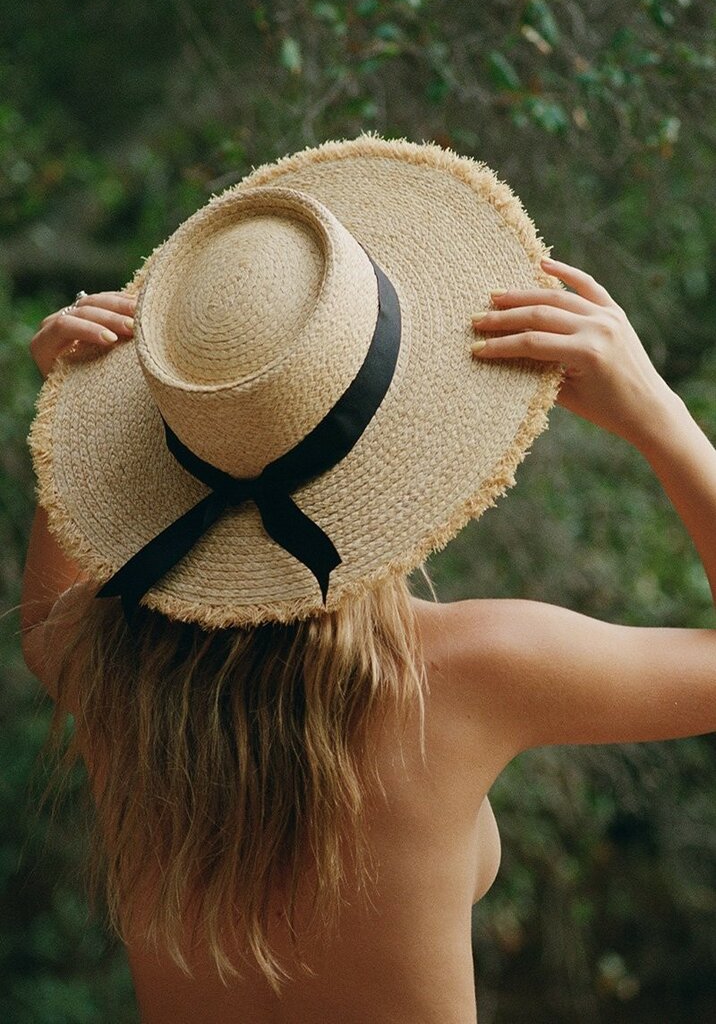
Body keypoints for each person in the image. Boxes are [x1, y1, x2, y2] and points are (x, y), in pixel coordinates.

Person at [20, 136, 716, 1024]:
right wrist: (657, 412)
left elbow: (41, 622)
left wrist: (63, 422)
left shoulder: (115, 671)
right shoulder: (471, 668)